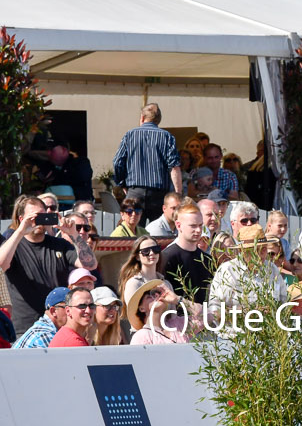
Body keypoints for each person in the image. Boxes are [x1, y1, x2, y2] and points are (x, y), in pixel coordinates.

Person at [0, 196, 98, 334]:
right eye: (34, 217)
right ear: (22, 219)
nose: (39, 221)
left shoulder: (60, 245)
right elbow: (1, 266)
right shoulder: (13, 244)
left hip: (58, 326)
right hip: (23, 328)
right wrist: (21, 231)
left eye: (43, 216)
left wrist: (74, 234)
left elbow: (90, 265)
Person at [112, 103, 183, 222]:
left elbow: (118, 162)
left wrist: (122, 183)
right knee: (160, 233)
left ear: (142, 117)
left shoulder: (130, 135)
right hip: (159, 194)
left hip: (135, 191)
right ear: (159, 120)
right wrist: (178, 193)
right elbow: (174, 167)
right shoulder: (167, 137)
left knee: (132, 232)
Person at [208, 226, 289, 314]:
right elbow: (215, 310)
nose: (262, 253)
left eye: (264, 248)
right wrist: (245, 312)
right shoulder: (228, 271)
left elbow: (284, 302)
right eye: (256, 249)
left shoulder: (272, 269)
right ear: (243, 251)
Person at [159, 202, 214, 304]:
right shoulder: (166, 257)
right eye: (193, 226)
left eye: (200, 225)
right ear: (178, 225)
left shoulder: (207, 260)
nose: (198, 230)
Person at [128, 280, 191, 344]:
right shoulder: (141, 336)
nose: (157, 296)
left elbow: (201, 315)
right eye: (149, 296)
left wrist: (177, 299)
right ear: (142, 308)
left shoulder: (177, 324)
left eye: (159, 294)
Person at [118, 236, 174, 307]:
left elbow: (173, 315)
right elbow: (134, 316)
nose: (151, 253)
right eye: (146, 251)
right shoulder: (134, 283)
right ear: (137, 257)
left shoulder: (166, 284)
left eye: (155, 249)